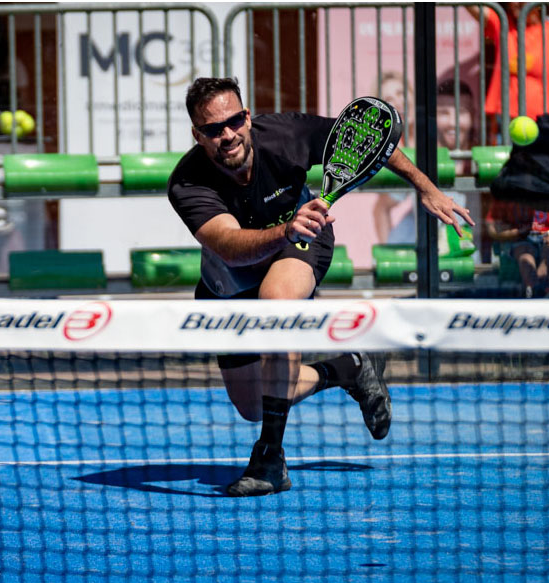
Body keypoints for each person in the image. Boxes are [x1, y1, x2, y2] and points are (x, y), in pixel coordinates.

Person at [168, 77, 474, 497]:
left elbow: (368, 137)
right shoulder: (187, 182)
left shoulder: (286, 134)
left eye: (234, 121)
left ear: (248, 117)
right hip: (234, 272)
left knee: (278, 306)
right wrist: (283, 229)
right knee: (252, 405)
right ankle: (348, 368)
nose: (228, 134)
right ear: (197, 134)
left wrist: (425, 187)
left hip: (302, 242)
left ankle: (269, 458)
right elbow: (230, 246)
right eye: (213, 128)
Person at [374, 78, 476, 245]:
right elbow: (381, 208)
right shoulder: (423, 160)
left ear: (473, 116)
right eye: (444, 113)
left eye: (462, 112)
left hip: (473, 256)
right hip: (429, 256)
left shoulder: (477, 155)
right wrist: (390, 256)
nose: (453, 122)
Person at [466, 2, 549, 135]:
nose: (514, 3)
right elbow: (473, 7)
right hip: (507, 116)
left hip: (545, 116)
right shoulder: (503, 24)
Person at [485, 202, 549, 297]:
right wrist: (514, 233)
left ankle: (537, 291)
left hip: (548, 237)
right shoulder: (506, 198)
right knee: (525, 255)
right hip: (520, 240)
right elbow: (492, 227)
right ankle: (537, 290)